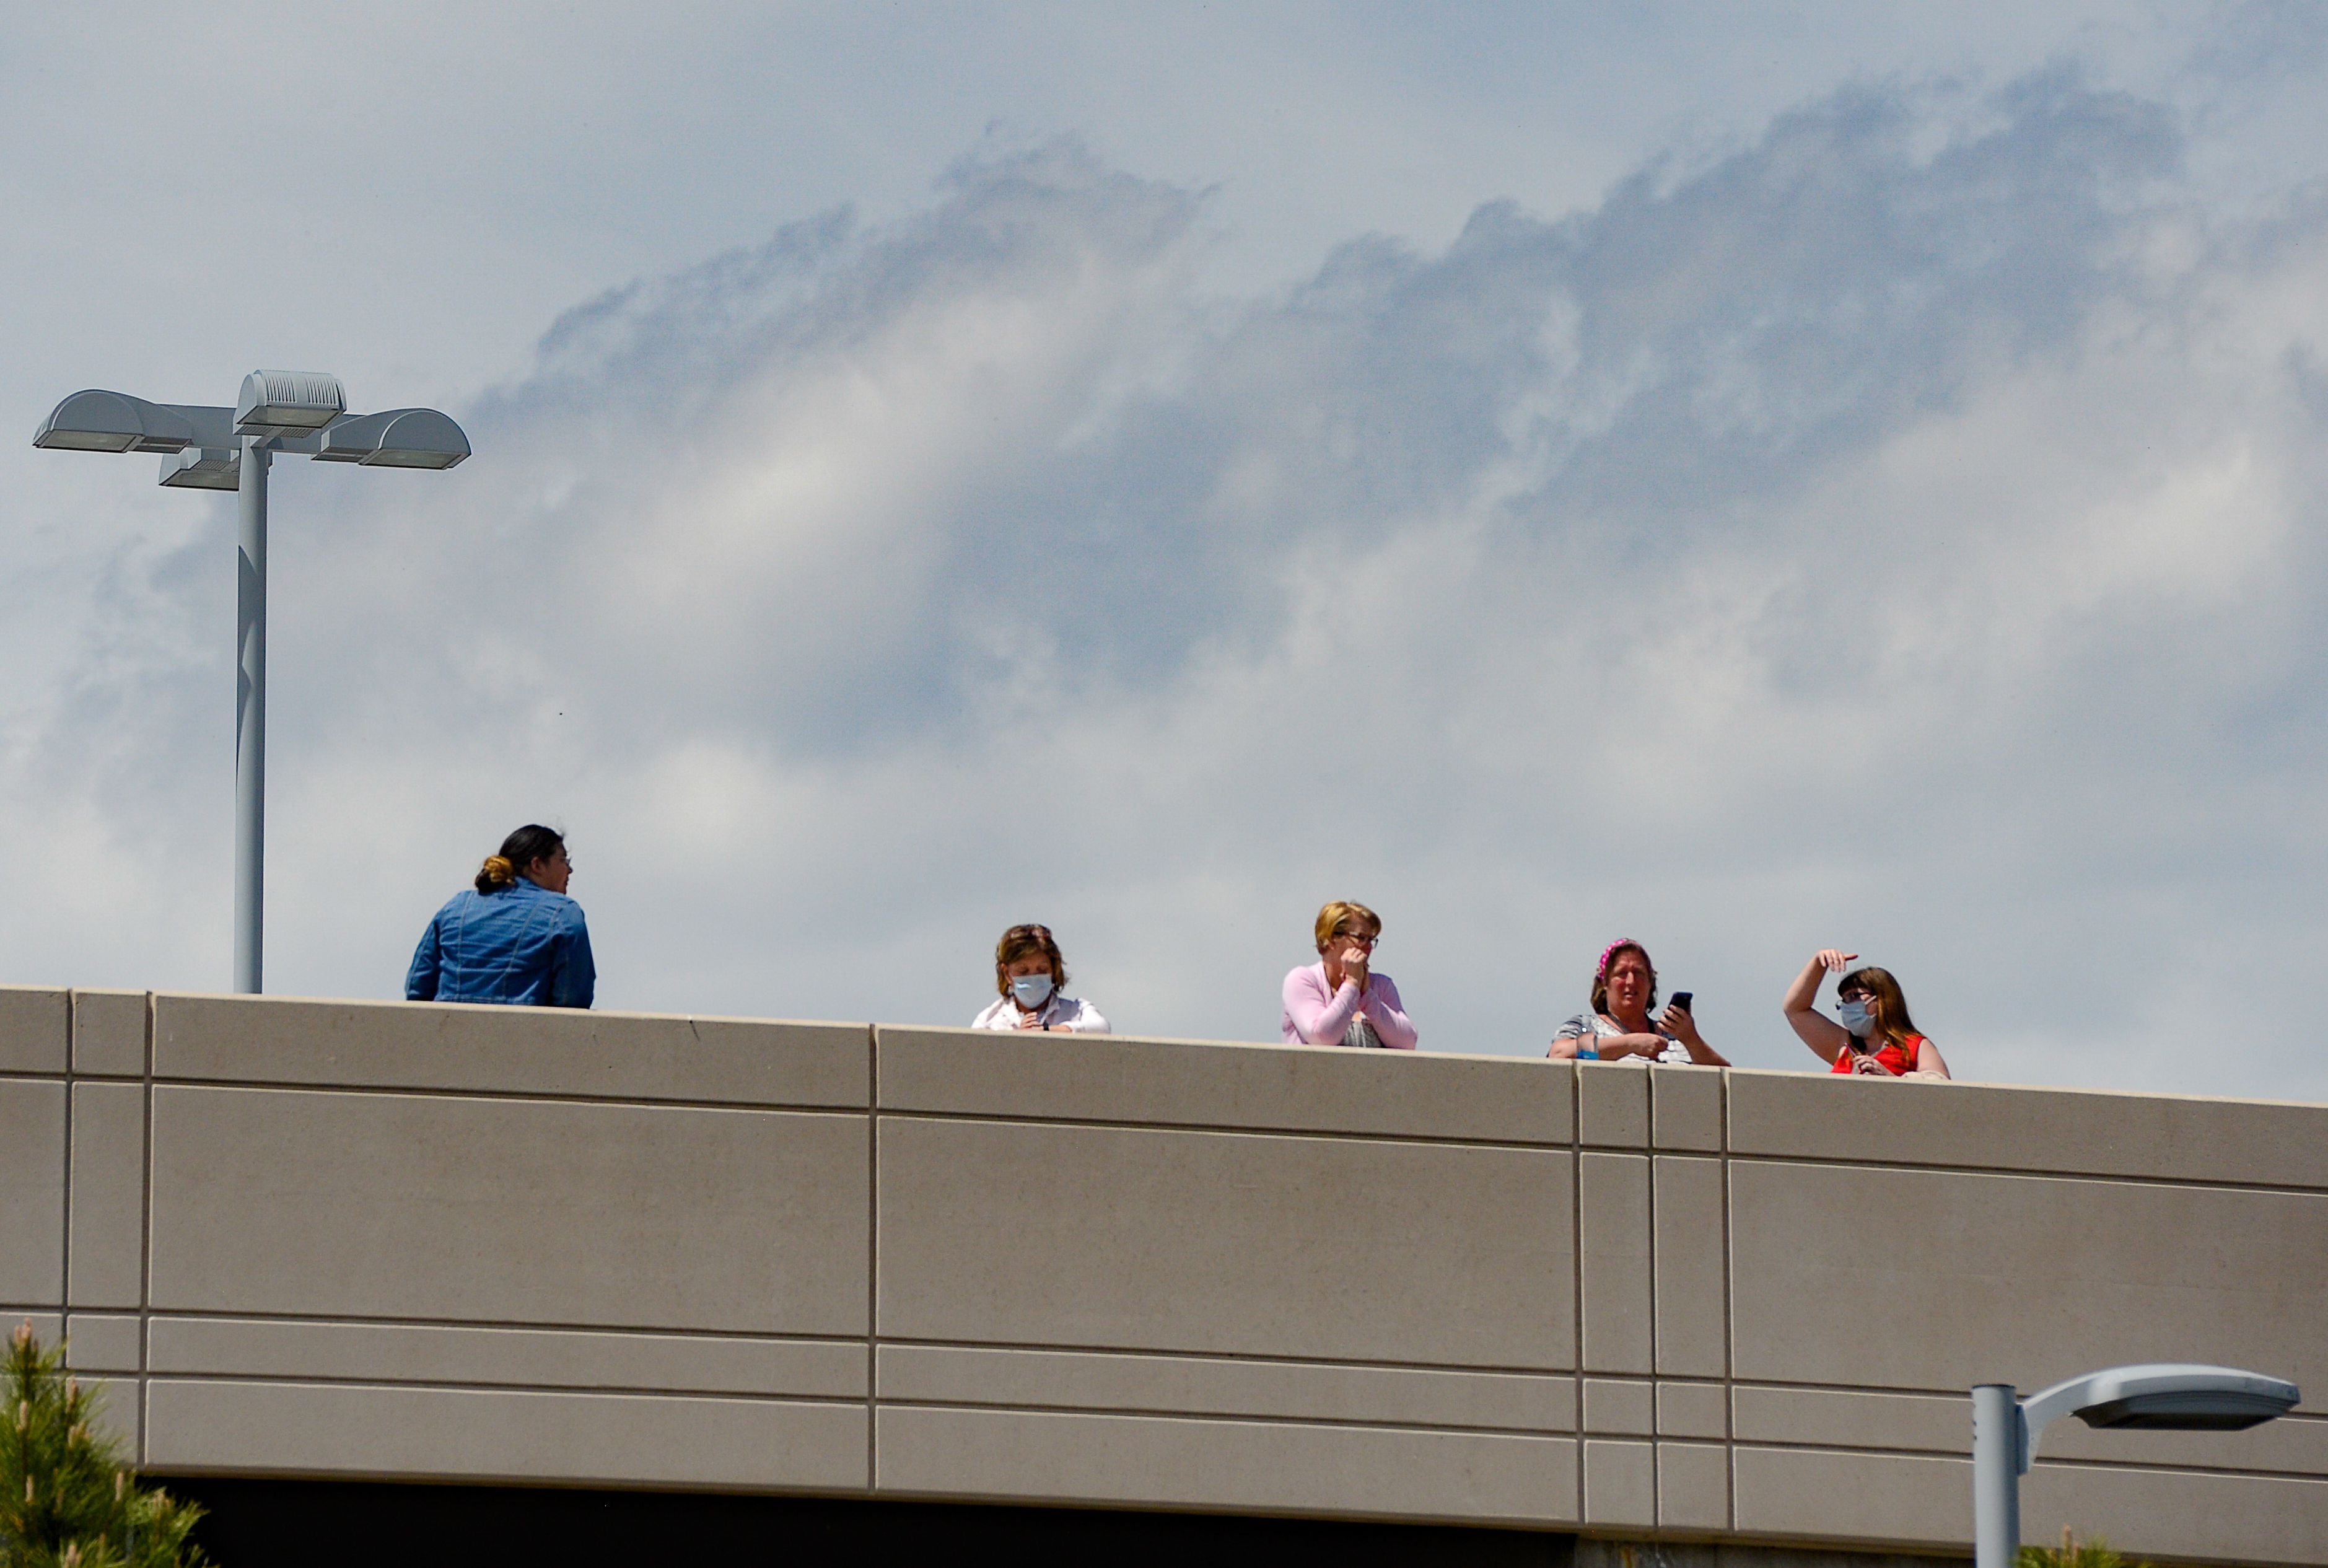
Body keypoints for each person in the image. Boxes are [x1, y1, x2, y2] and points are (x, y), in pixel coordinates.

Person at [405, 825, 595, 1008]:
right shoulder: (563, 913)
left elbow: (418, 986)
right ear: (537, 865)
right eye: (564, 861)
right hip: (523, 1036)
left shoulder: (456, 906)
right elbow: (572, 998)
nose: (569, 870)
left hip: (446, 1034)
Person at [1549, 939, 1728, 1064]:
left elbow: (1729, 1084)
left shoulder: (1677, 1037)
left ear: (1651, 983)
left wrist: (1691, 1039)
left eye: (1639, 973)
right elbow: (1559, 1055)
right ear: (1605, 983)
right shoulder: (1587, 1027)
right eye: (1621, 973)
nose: (1631, 982)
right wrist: (1630, 1044)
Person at [1782, 948, 1950, 1079]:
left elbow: (1940, 1092)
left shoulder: (1915, 1046)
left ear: (1883, 999)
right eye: (1845, 1000)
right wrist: (1818, 963)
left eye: (1855, 996)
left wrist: (1889, 1078)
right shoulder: (1844, 1046)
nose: (1848, 1005)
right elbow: (1796, 1009)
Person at [1282, 901, 1417, 1049]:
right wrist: (1351, 984)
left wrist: (1368, 997)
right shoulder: (1302, 980)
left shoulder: (1382, 986)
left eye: (1371, 940)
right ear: (1331, 939)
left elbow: (1408, 1042)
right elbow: (1322, 1037)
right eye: (1360, 938)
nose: (1368, 947)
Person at [971, 924, 1109, 1032]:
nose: (1033, 977)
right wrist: (1016, 1040)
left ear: (1054, 970)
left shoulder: (1078, 1010)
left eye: (1042, 970)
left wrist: (1047, 1031)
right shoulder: (989, 1020)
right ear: (1007, 974)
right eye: (1023, 971)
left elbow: (1102, 1029)